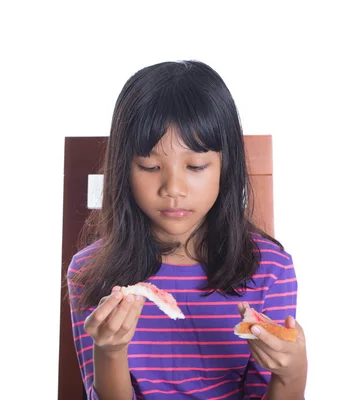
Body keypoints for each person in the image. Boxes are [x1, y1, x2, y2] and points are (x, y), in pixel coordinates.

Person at [67, 60, 307, 400]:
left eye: (195, 166)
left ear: (227, 165)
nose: (173, 188)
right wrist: (110, 351)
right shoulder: (90, 272)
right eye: (150, 166)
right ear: (123, 168)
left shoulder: (270, 268)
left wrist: (292, 373)